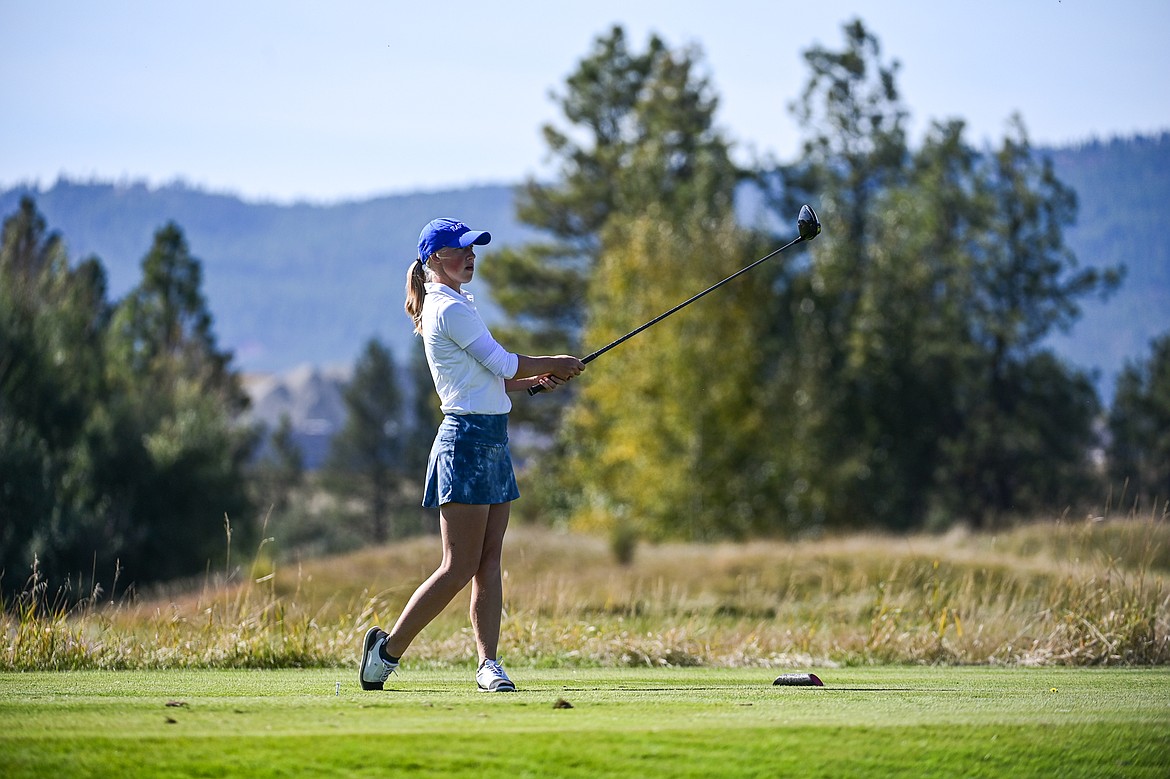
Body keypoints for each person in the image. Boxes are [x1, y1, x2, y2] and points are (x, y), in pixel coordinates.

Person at [359, 217, 584, 692]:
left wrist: (532, 382)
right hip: (464, 443)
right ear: (434, 259)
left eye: (473, 249)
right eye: (460, 250)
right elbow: (502, 362)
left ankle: (488, 665)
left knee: (489, 561)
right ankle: (387, 650)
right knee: (458, 566)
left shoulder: (459, 303)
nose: (470, 256)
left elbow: (494, 378)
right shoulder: (447, 308)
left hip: (492, 440)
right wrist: (555, 362)